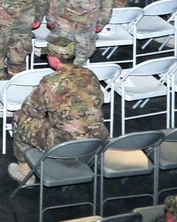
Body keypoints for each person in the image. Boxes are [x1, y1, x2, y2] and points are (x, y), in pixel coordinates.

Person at [8, 35, 108, 186]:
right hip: (96, 143)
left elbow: (31, 111)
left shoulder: (51, 82)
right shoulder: (89, 74)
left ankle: (24, 171)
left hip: (67, 150)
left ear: (54, 59)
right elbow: (99, 100)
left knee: (20, 119)